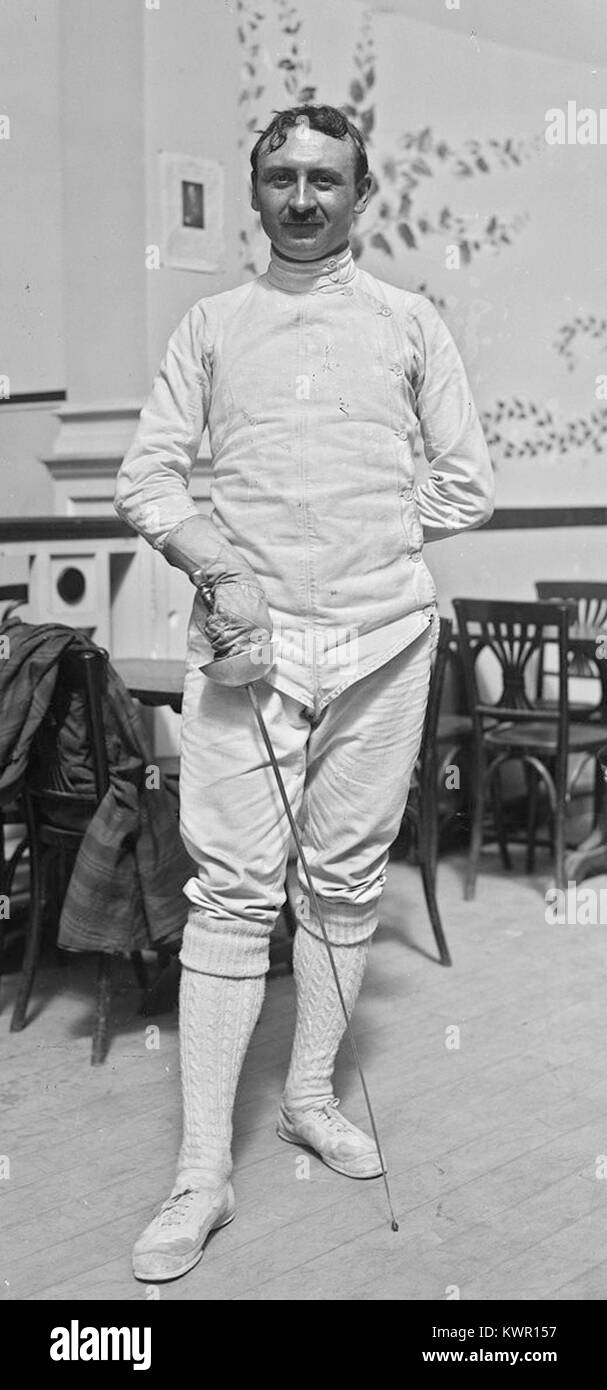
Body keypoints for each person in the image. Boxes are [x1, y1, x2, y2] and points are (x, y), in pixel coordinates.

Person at [114, 104, 494, 1283]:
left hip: (381, 645)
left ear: (362, 193)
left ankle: (310, 1098)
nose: (302, 197)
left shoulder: (408, 324)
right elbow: (147, 476)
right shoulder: (213, 324)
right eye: (280, 176)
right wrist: (224, 567)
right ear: (255, 192)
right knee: (232, 896)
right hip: (248, 650)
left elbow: (466, 487)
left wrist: (370, 549)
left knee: (343, 880)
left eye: (325, 178)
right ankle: (201, 1173)